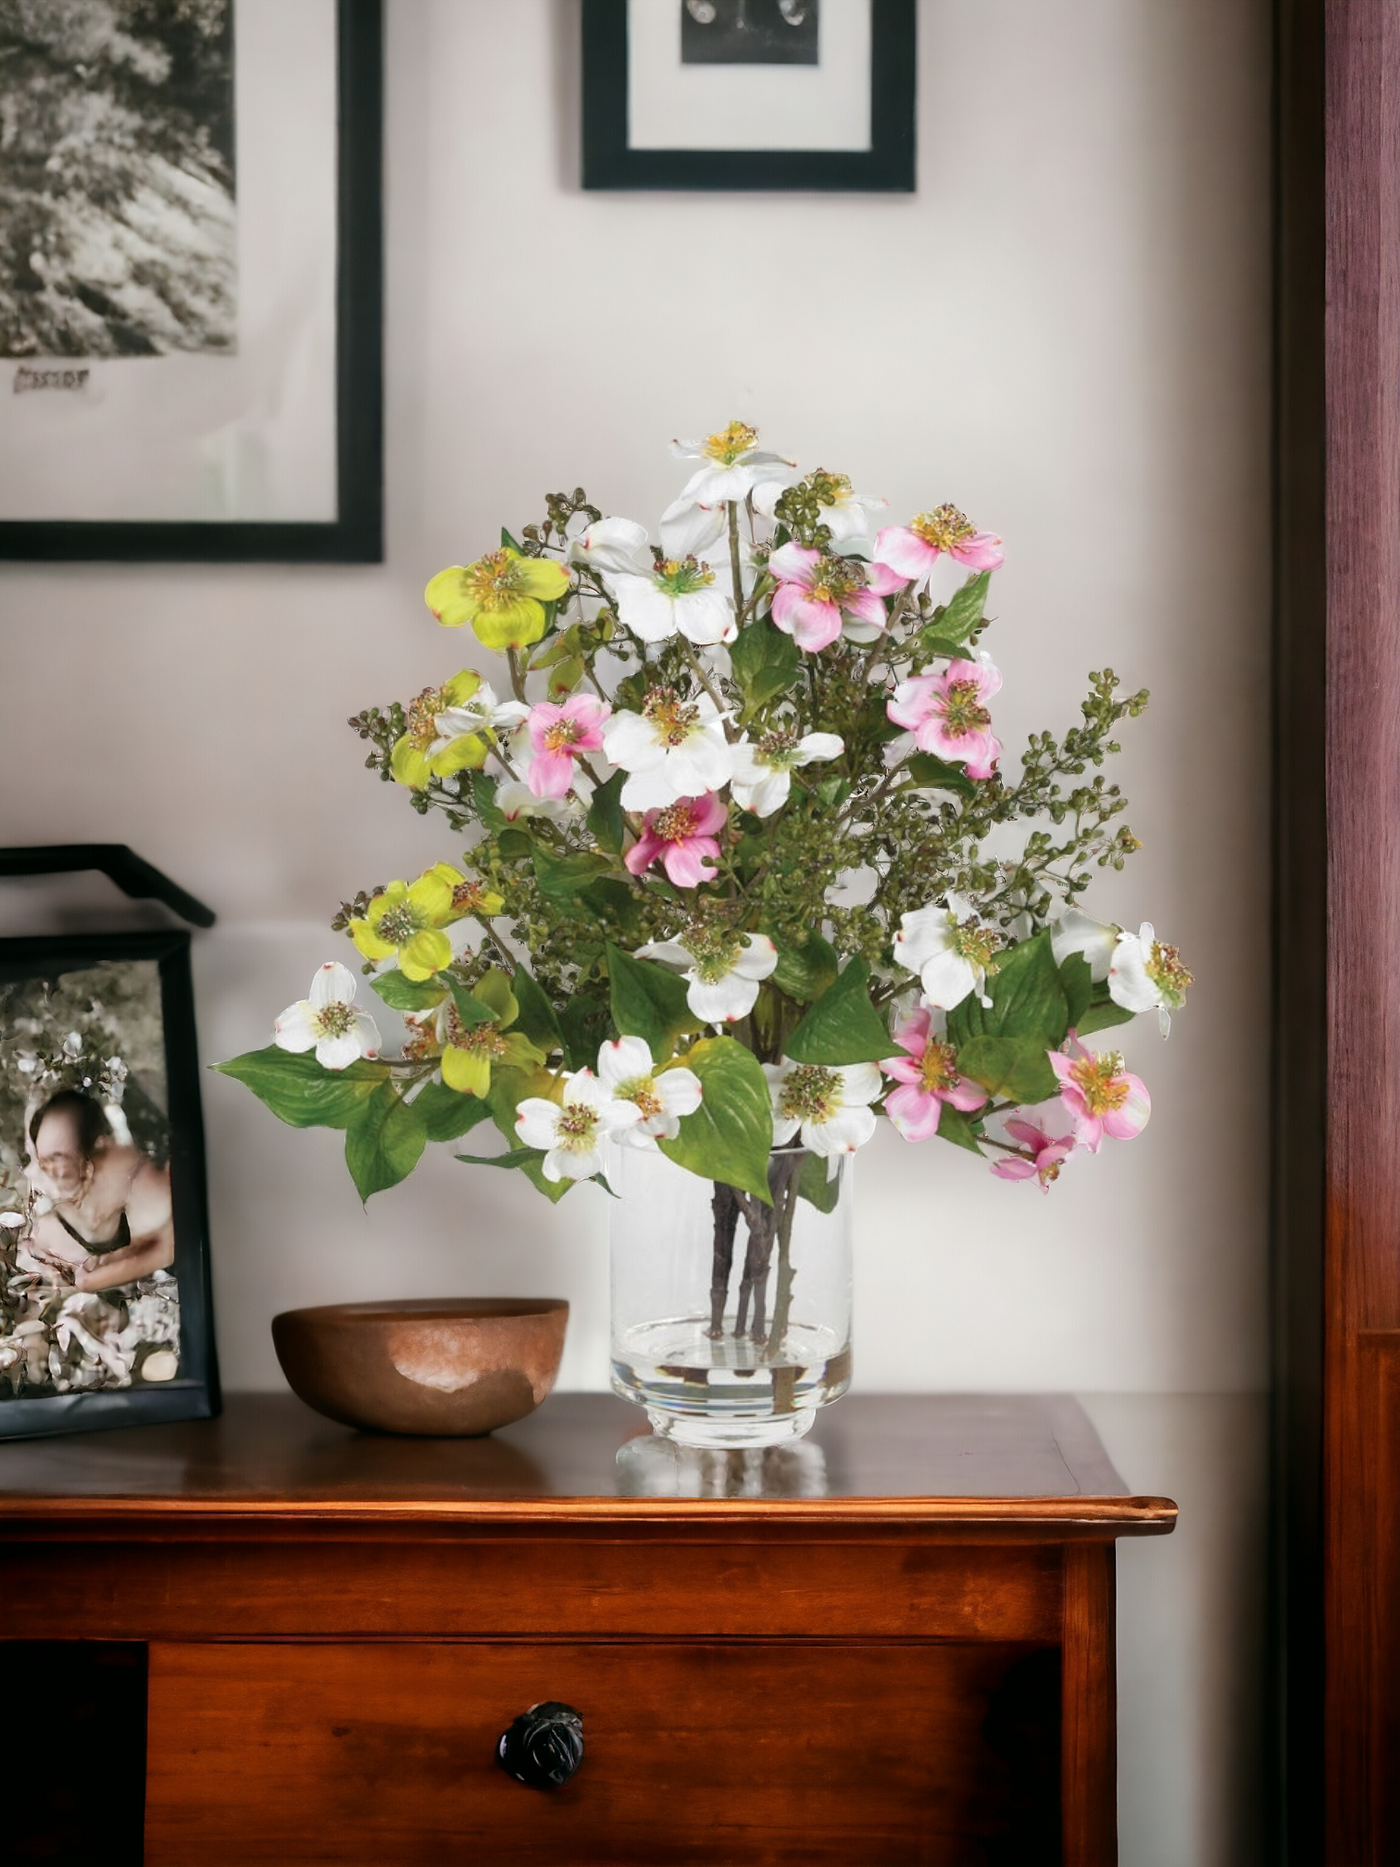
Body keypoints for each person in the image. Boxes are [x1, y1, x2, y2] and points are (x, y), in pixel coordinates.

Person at [22, 1090, 174, 1292]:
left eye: (57, 1159)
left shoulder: (144, 1184)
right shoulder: (50, 1216)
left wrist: (94, 1281)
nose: (45, 1171)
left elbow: (169, 1247)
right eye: (44, 1162)